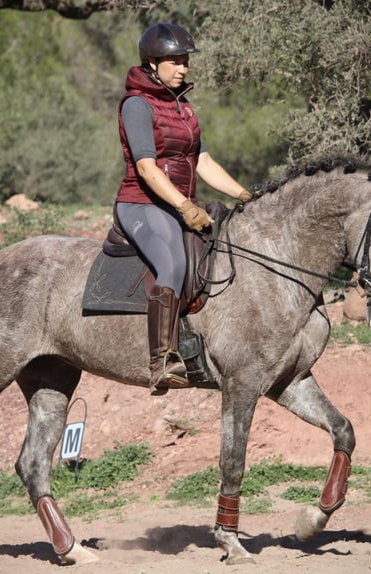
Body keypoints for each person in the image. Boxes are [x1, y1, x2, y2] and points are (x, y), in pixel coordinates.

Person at [114, 22, 252, 396]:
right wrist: (185, 206)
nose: (183, 68)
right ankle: (160, 363)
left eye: (185, 61)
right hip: (141, 203)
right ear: (152, 62)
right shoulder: (136, 105)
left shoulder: (184, 108)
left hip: (177, 205)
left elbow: (203, 163)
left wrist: (244, 196)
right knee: (172, 262)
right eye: (175, 61)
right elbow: (146, 168)